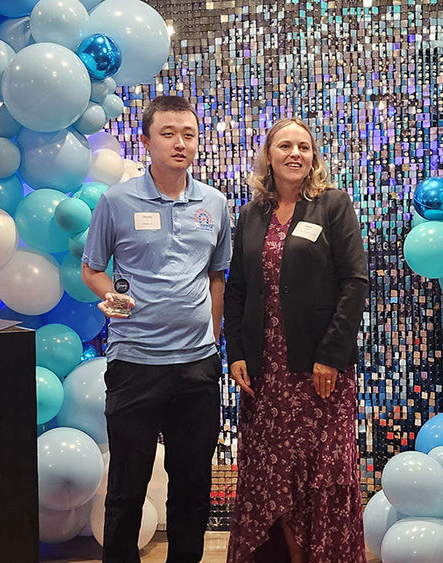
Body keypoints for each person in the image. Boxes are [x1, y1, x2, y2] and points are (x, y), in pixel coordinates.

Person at [81, 95, 232, 563]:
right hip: (134, 364)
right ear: (146, 141)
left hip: (197, 368)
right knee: (127, 486)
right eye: (167, 134)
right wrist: (112, 296)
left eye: (188, 134)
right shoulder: (116, 201)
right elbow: (91, 269)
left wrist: (211, 339)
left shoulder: (214, 203)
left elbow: (216, 278)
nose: (180, 143)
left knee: (192, 486)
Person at [224, 118, 368, 562]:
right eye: (284, 145)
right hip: (265, 377)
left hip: (318, 373)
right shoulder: (250, 214)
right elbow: (237, 289)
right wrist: (237, 353)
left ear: (313, 156)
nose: (294, 153)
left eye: (303, 147)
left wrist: (330, 356)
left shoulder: (332, 204)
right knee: (273, 477)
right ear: (268, 155)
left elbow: (355, 282)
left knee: (319, 476)